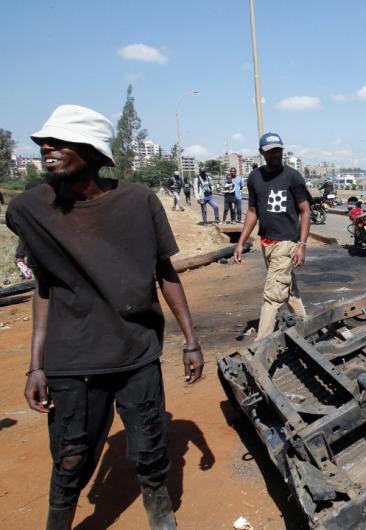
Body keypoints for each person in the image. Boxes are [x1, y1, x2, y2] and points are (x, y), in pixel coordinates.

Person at [5, 105, 203, 530]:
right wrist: (36, 365)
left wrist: (191, 341)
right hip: (72, 360)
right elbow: (42, 288)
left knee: (151, 454)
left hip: (137, 353)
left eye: (60, 142)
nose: (47, 148)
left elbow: (164, 273)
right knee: (70, 460)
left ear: (94, 153)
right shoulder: (28, 210)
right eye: (44, 142)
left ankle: (161, 521)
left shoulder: (139, 201)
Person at [233, 133, 311, 340]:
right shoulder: (255, 177)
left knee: (273, 295)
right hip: (266, 242)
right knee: (287, 289)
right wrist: (240, 243)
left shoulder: (292, 176)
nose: (276, 154)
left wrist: (302, 244)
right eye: (271, 151)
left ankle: (260, 346)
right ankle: (308, 329)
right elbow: (252, 212)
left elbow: (305, 211)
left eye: (278, 150)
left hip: (286, 242)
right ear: (262, 152)